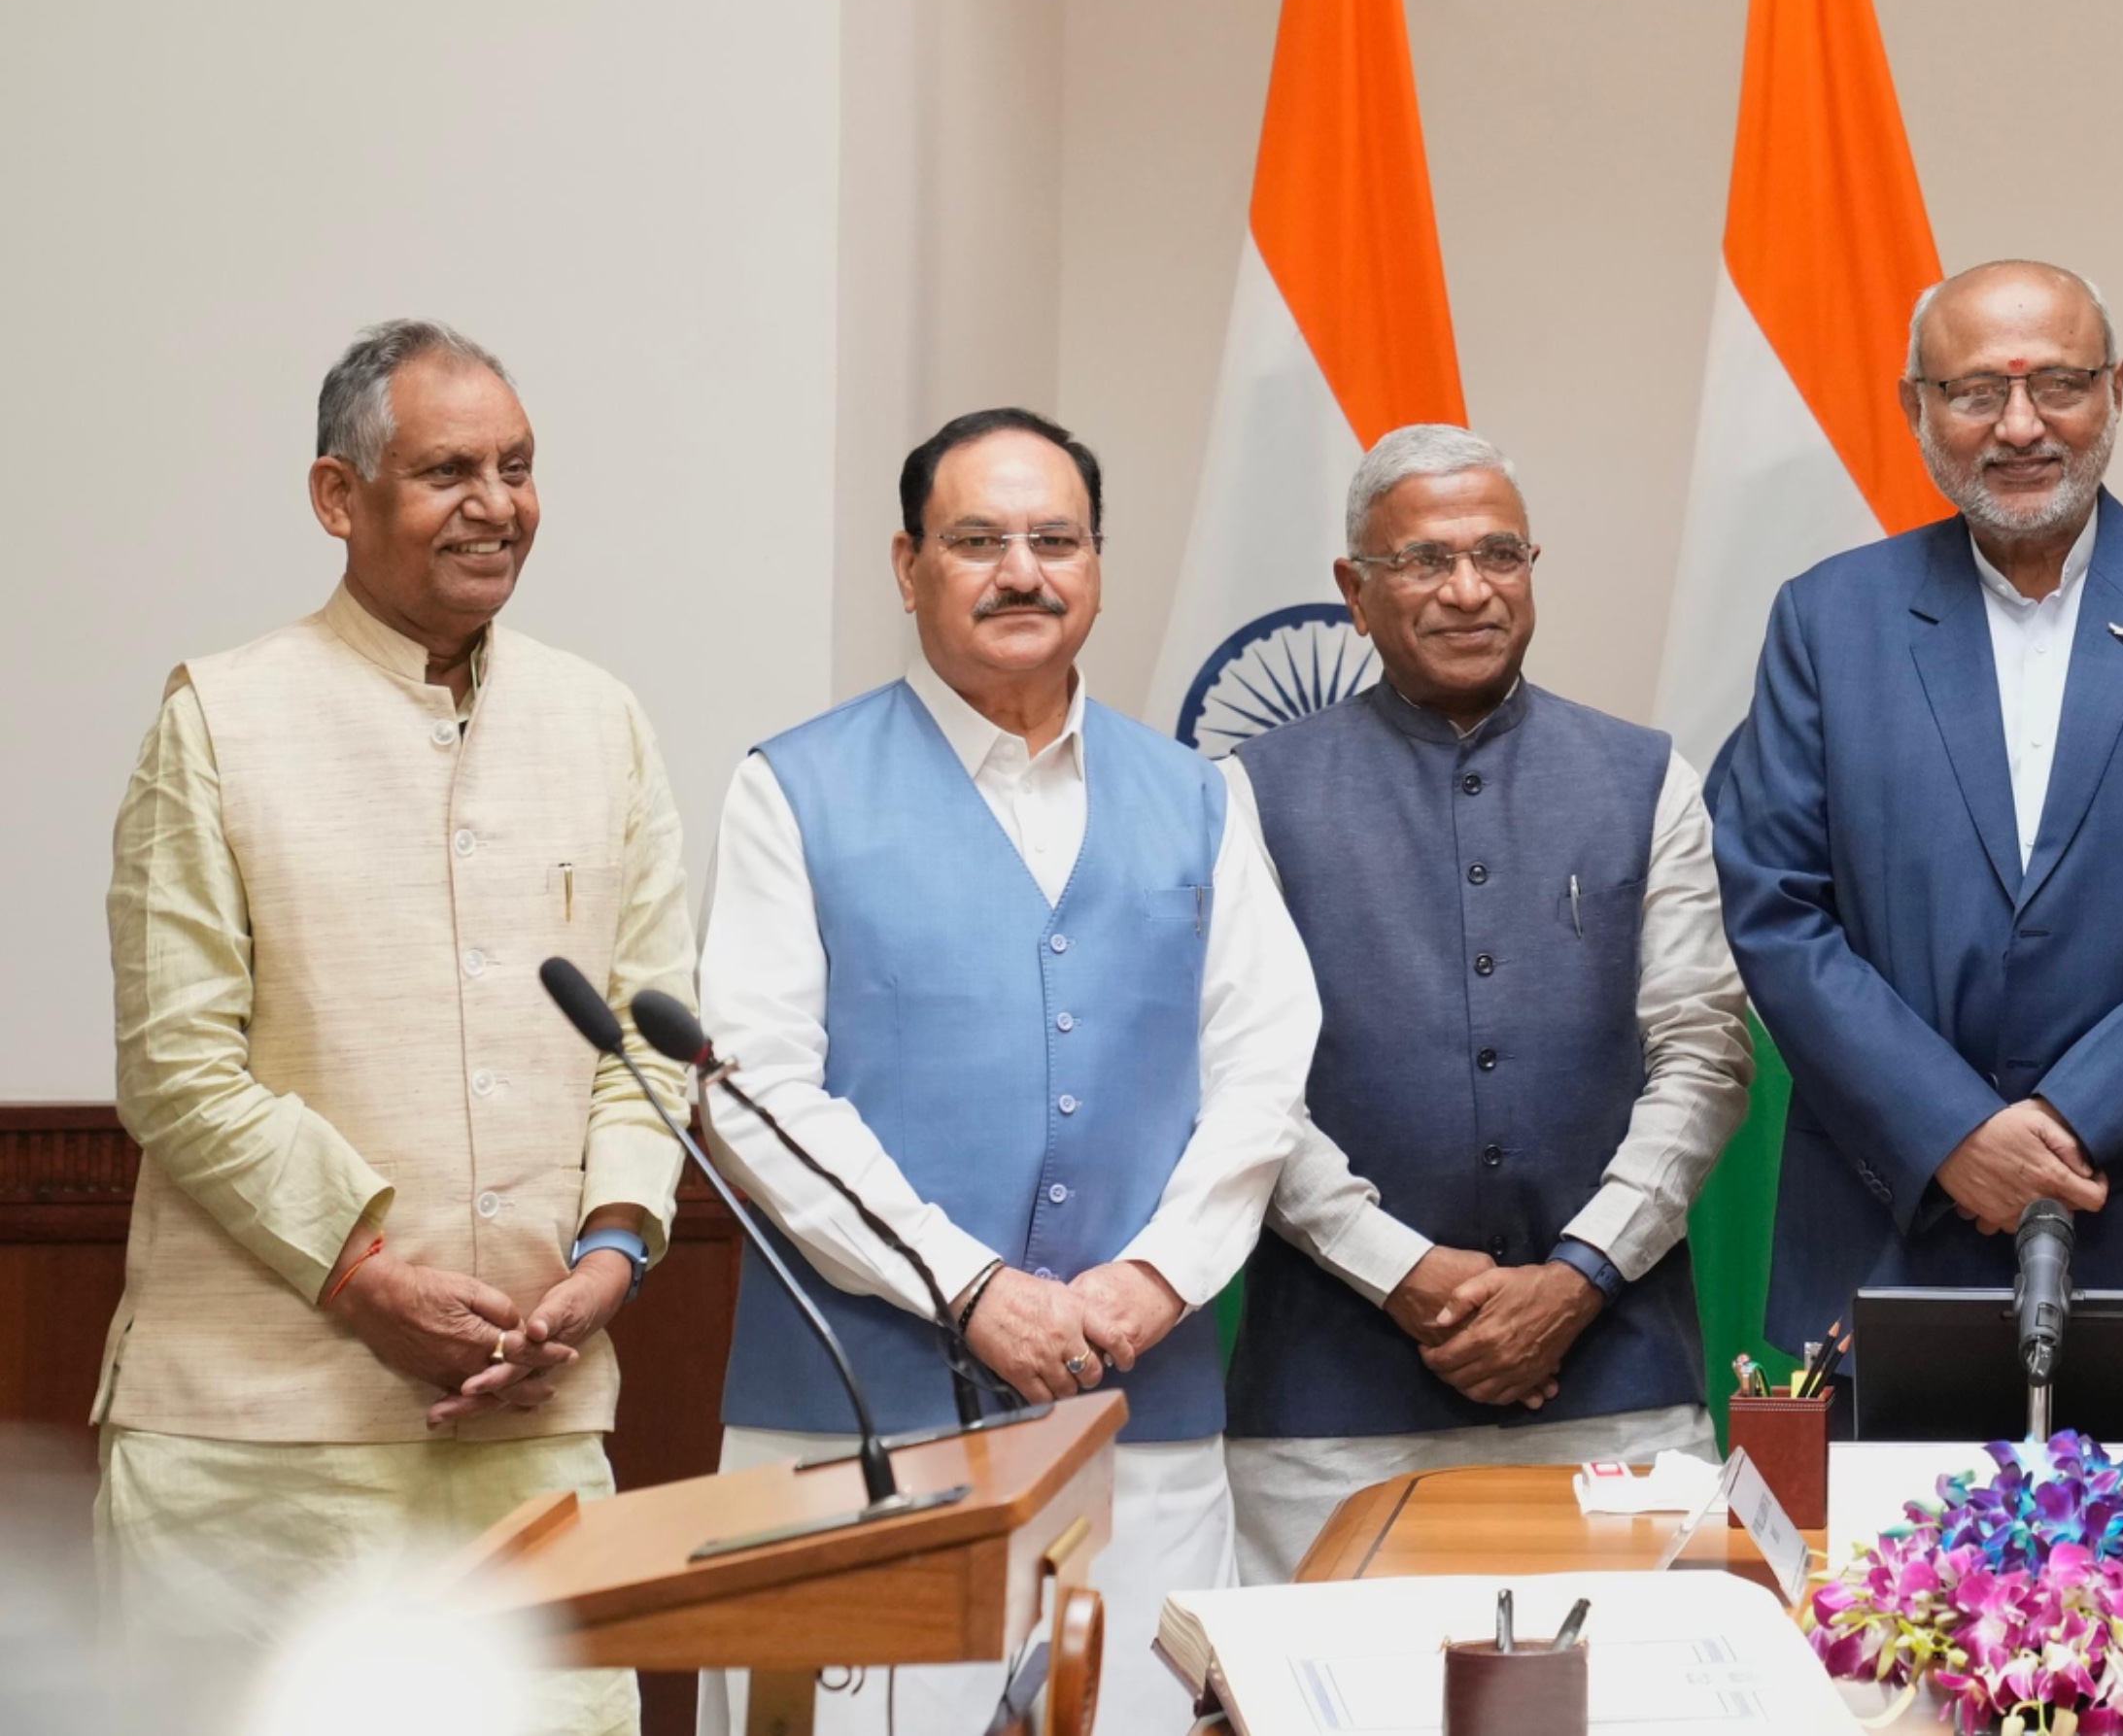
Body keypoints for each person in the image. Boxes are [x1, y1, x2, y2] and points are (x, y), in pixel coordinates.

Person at [96, 322, 686, 1736]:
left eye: (519, 467)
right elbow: (176, 1064)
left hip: (531, 1435)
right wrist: (362, 1275)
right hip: (255, 1448)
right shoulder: (220, 717)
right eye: (447, 471)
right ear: (336, 497)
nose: (497, 504)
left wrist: (614, 1251)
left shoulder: (599, 721)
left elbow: (652, 1036)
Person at [695, 409, 1320, 1736]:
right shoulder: (791, 790)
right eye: (977, 540)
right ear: (907, 561)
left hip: (1134, 1421)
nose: (1021, 571)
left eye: (1056, 539)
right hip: (858, 1425)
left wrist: (1151, 1279)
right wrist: (967, 1286)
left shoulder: (1202, 797)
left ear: (1098, 562)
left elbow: (1264, 1068)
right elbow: (757, 1096)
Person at [1712, 259, 2123, 1365]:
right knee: (1882, 1548)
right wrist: (1951, 1133)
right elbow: (1772, 907)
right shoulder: (1827, 619)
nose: (2019, 425)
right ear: (1916, 407)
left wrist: (2068, 1121)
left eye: (2057, 383)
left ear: (2114, 391)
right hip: (1896, 1227)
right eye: (1974, 392)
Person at [1222, 425, 1754, 1578]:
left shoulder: (1644, 775)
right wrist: (1402, 1274)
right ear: (1352, 591)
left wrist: (1578, 1278)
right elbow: (1238, 1083)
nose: (1469, 591)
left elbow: (1705, 1056)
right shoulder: (1246, 796)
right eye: (1424, 561)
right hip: (1329, 1403)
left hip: (1616, 1389)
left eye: (1500, 555)